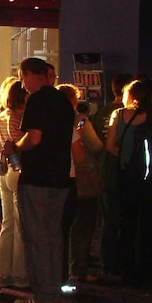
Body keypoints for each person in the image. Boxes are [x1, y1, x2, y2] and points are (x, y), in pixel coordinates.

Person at [4, 57, 74, 303]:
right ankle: (53, 291)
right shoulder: (64, 101)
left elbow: (34, 138)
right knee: (54, 236)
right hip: (61, 177)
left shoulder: (37, 100)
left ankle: (43, 295)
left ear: (31, 75)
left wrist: (15, 147)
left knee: (36, 238)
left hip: (37, 177)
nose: (23, 84)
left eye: (23, 77)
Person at [105, 79, 152, 286]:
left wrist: (126, 158)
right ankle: (146, 269)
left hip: (126, 176)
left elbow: (109, 146)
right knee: (148, 223)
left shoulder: (118, 115)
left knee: (127, 222)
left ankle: (126, 267)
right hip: (151, 177)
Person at [57, 84, 104, 282]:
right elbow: (95, 146)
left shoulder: (56, 122)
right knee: (83, 225)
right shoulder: (81, 122)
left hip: (62, 177)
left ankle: (66, 269)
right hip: (84, 177)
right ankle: (78, 268)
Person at [92, 72, 133, 278]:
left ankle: (107, 262)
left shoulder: (102, 112)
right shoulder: (131, 113)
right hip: (122, 170)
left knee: (107, 219)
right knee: (123, 218)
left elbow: (95, 141)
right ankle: (120, 261)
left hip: (104, 169)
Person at [0, 80, 29, 289]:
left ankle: (2, 270)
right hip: (18, 170)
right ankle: (19, 274)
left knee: (6, 223)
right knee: (19, 224)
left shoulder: (0, 117)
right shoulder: (19, 118)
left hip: (3, 172)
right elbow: (22, 146)